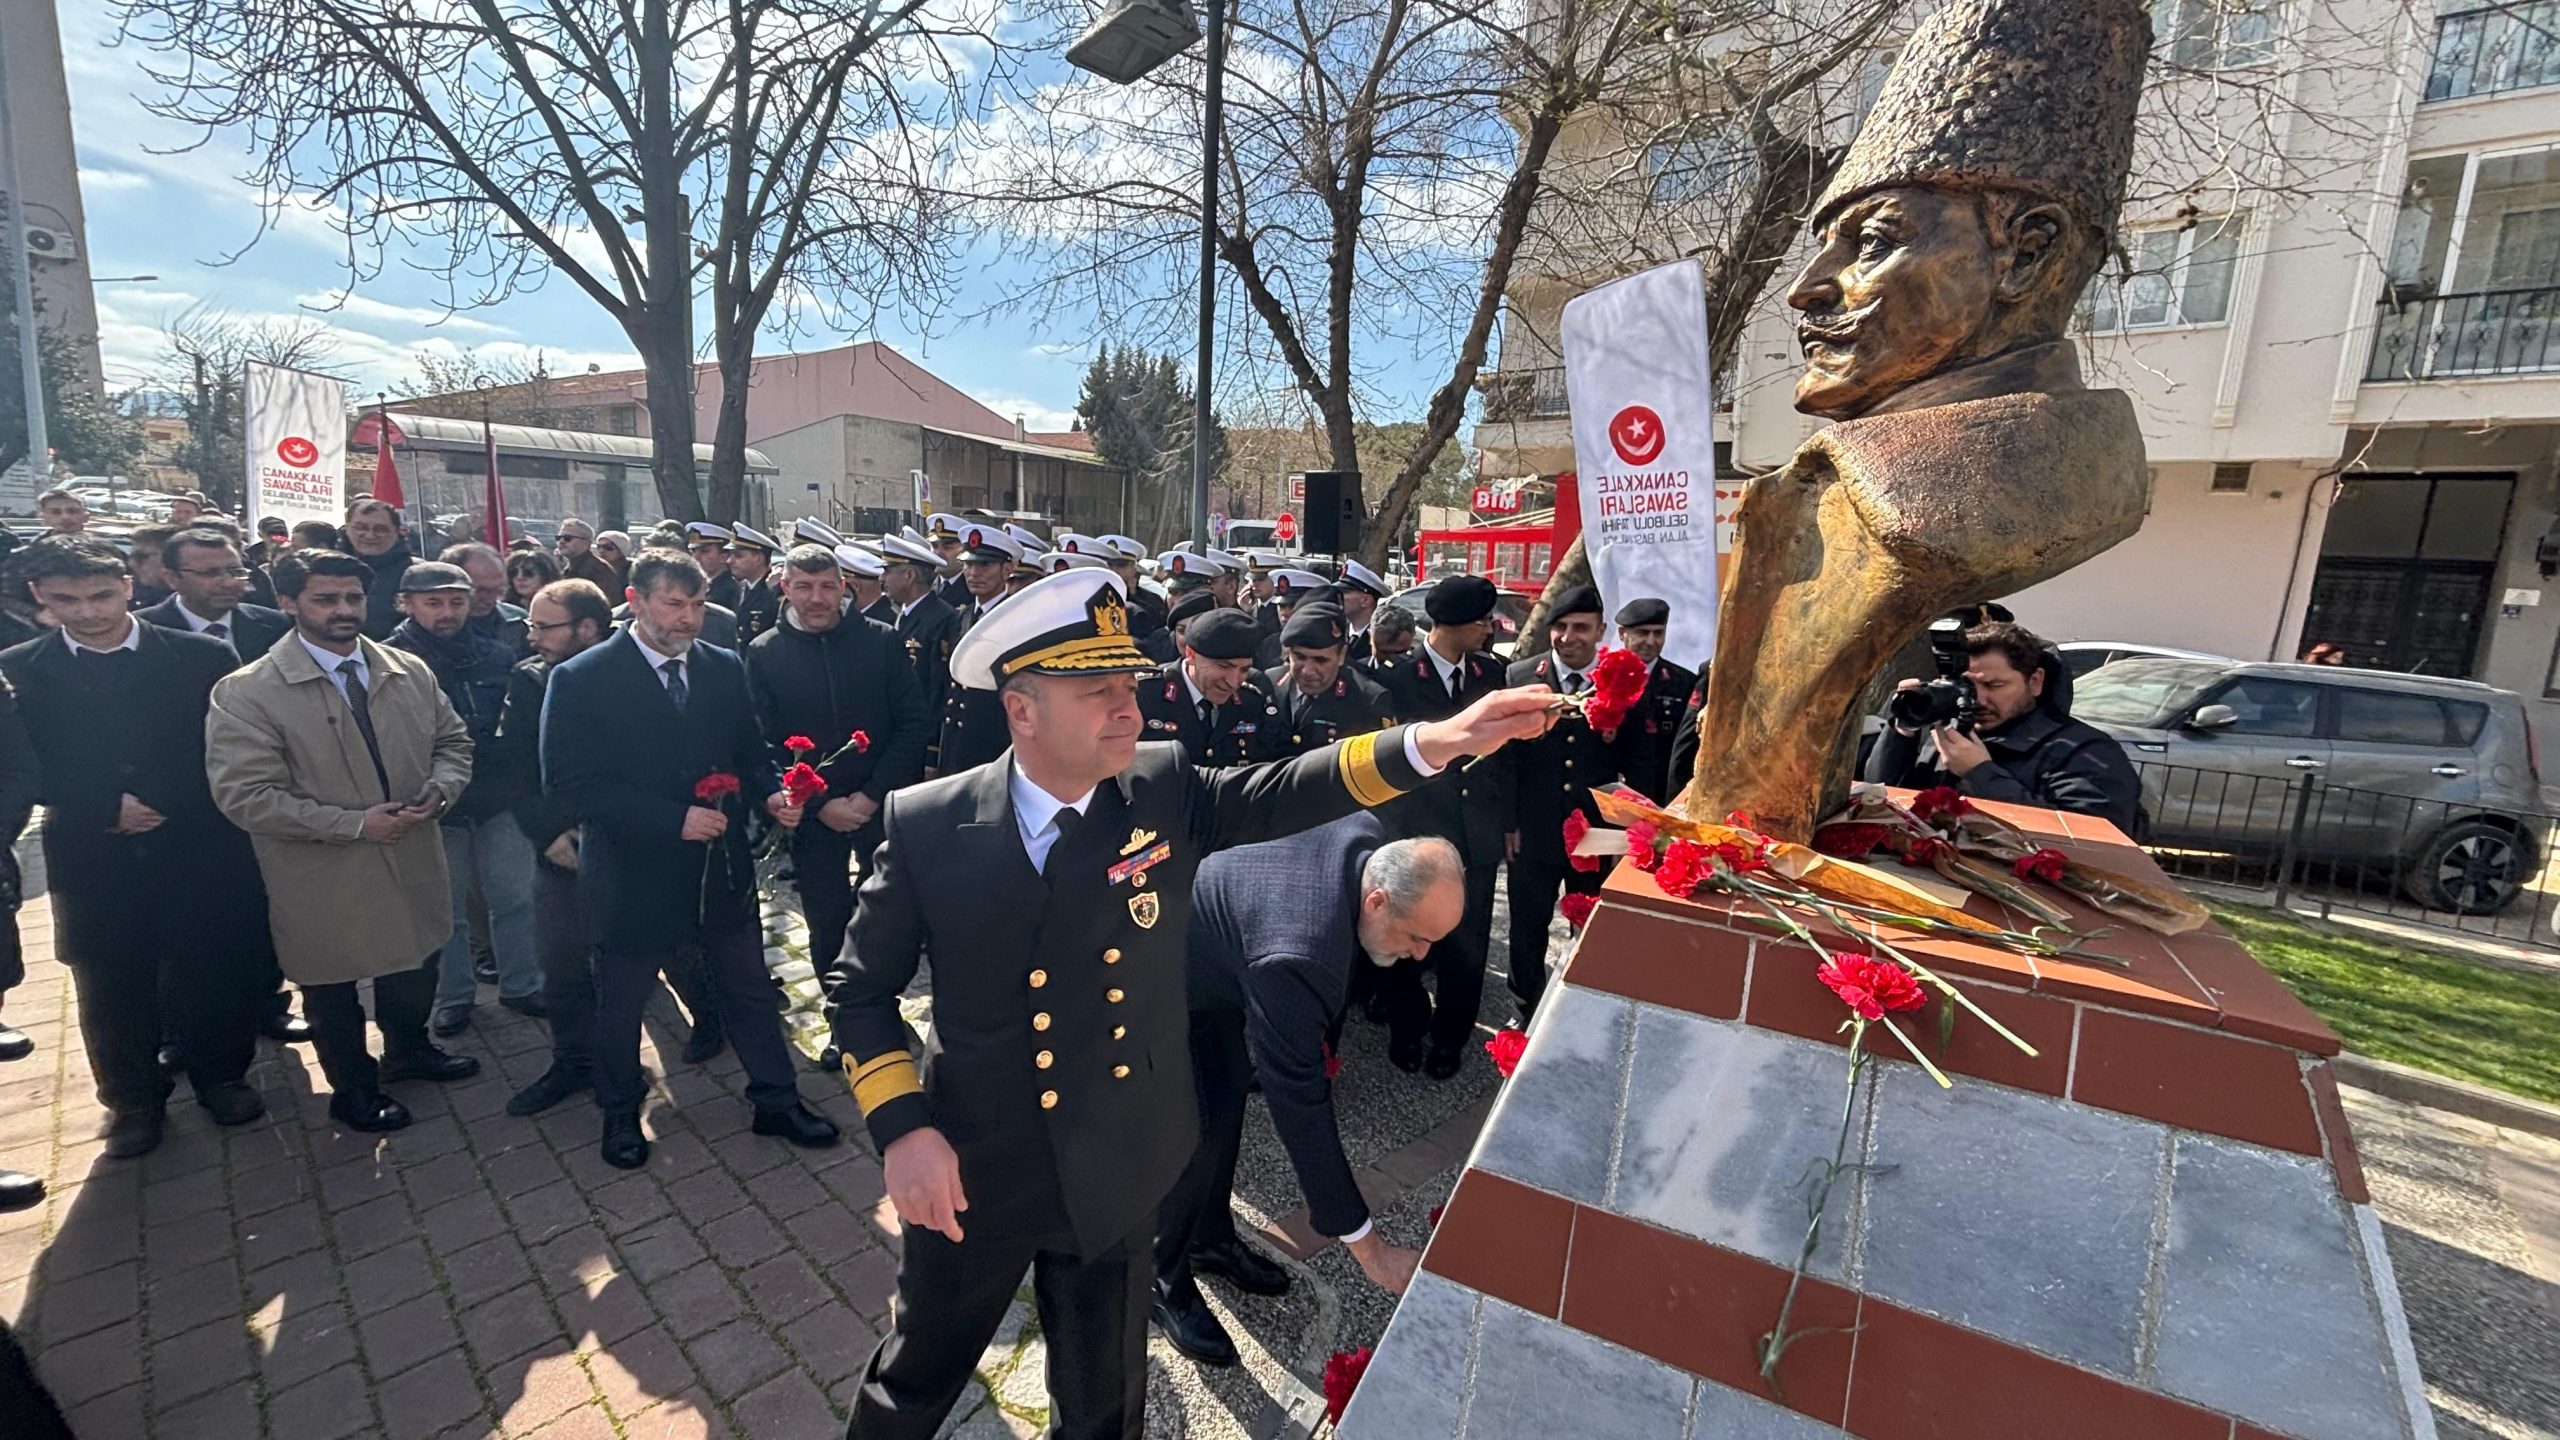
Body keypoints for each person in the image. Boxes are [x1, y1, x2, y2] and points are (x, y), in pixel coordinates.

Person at [827, 567, 1555, 1440]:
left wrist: (1437, 741)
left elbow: (1287, 788)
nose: (1128, 710)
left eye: (1128, 686)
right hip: (975, 1162)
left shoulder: (1161, 787)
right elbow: (860, 993)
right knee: (916, 1382)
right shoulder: (927, 822)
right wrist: (903, 1128)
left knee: (1103, 1403)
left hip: (1120, 1157)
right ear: (1022, 710)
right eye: (1097, 692)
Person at [539, 551, 839, 1169]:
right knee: (621, 1000)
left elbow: (748, 749)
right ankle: (621, 1111)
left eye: (698, 605)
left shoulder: (723, 666)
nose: (689, 619)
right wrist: (670, 818)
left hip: (717, 869)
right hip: (632, 874)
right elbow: (571, 784)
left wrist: (773, 792)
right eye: (675, 604)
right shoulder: (582, 678)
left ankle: (777, 1100)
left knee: (750, 987)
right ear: (636, 599)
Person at [0, 539, 274, 1155]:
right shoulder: (19, 668)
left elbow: (229, 741)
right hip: (93, 851)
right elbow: (21, 763)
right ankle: (133, 1100)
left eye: (101, 595)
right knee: (109, 978)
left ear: (128, 584)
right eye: (66, 599)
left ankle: (222, 1077)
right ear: (40, 598)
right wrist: (104, 806)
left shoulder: (201, 654)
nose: (89, 612)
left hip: (197, 839)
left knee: (213, 963)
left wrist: (169, 800)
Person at [1152, 816, 1449, 1365]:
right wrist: (1372, 1251)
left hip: (1221, 963)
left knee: (1224, 1109)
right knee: (1191, 1129)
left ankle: (1209, 1237)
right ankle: (1160, 1275)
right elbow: (1300, 1108)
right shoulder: (1300, 952)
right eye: (1416, 936)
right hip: (1165, 975)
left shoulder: (1365, 838)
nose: (1423, 954)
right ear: (1378, 901)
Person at [208, 550, 483, 1132]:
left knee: (414, 964)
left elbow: (454, 744)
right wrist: (354, 824)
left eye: (353, 598)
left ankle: (409, 1051)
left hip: (411, 852)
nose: (342, 611)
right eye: (324, 599)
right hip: (321, 870)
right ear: (288, 603)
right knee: (332, 985)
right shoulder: (247, 692)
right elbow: (244, 796)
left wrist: (441, 790)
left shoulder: (407, 670)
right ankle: (353, 1089)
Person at [496, 578, 731, 1115]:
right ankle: (574, 1061)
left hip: (640, 845)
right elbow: (517, 768)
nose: (532, 636)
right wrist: (548, 833)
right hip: (563, 850)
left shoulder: (643, 674)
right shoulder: (531, 679)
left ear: (586, 627)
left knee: (674, 945)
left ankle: (712, 1018)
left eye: (543, 626)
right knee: (563, 960)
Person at [744, 545, 930, 1060]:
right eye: (803, 587)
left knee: (888, 914)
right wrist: (820, 800)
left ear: (844, 586)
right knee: (826, 917)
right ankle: (843, 1015)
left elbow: (912, 723)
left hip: (879, 805)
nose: (817, 598)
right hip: (812, 812)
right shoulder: (764, 651)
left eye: (827, 586)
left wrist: (870, 798)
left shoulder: (883, 642)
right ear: (786, 588)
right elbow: (762, 739)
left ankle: (886, 1008)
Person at [383, 561, 545, 1035]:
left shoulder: (496, 654)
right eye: (433, 603)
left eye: (456, 601)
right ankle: (454, 996)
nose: (447, 612)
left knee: (514, 896)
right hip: (431, 802)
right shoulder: (388, 661)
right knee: (444, 908)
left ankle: (521, 984)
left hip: (497, 796)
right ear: (407, 604)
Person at [1372, 574, 1512, 1076]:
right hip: (1414, 833)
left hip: (1473, 834)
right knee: (1407, 942)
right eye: (1483, 621)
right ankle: (1408, 1030)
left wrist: (1506, 823)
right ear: (1454, 624)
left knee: (1466, 947)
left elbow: (1505, 759)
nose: (1489, 630)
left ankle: (1450, 1039)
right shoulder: (1397, 679)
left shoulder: (1492, 676)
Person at [1863, 619, 2143, 831]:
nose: (1978, 698)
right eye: (1967, 685)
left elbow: (2089, 837)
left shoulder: (2086, 752)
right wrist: (1903, 730)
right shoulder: (1947, 732)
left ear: (2035, 681)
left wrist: (1980, 773)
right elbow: (1881, 797)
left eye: (1994, 685)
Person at [1502, 584, 1619, 1021]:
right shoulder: (1521, 677)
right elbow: (1506, 759)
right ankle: (1524, 1008)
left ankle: (1580, 1009)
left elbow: (1635, 763)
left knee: (1589, 924)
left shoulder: (1618, 682)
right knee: (1527, 926)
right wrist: (1508, 822)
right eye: (1561, 627)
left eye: (1581, 628)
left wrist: (1631, 835)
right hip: (1533, 830)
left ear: (1600, 631)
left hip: (1596, 833)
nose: (1569, 637)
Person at [1135, 608, 1285, 766]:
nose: (1233, 682)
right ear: (1191, 655)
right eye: (1224, 667)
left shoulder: (1251, 702)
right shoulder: (1145, 695)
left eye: (1244, 670)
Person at [935, 523, 1026, 774]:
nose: (974, 572)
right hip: (957, 743)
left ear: (1007, 569)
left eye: (984, 565)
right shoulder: (961, 616)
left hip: (995, 743)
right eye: (968, 564)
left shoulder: (1015, 619)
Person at [137, 526, 290, 661]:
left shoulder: (276, 626)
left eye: (236, 572)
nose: (229, 582)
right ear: (172, 578)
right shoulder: (141, 631)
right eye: (209, 573)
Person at [1263, 602, 1395, 756]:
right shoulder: (1267, 685)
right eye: (1299, 657)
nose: (1307, 671)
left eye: (1320, 660)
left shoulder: (1368, 701)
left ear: (1341, 655)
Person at [1608, 597, 1697, 803]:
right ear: (1622, 634)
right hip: (1612, 794)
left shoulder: (1683, 682)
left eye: (1658, 633)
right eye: (1642, 633)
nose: (1651, 641)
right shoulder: (1604, 677)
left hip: (1662, 796)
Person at [881, 536, 961, 760]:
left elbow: (940, 689)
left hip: (921, 744)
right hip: (900, 739)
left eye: (888, 570)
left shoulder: (942, 618)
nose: (882, 578)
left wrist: (932, 751)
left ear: (909, 575)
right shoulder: (904, 615)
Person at [343, 498, 419, 639]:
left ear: (397, 532)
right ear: (347, 528)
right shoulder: (325, 570)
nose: (370, 535)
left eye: (380, 529)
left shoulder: (418, 574)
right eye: (361, 527)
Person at [442, 541, 529, 656]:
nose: (490, 598)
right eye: (481, 590)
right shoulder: (436, 624)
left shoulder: (518, 622)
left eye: (499, 590)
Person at [724, 524, 783, 643]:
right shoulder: (739, 589)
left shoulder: (773, 591)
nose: (729, 561)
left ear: (758, 558)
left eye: (738, 556)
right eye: (730, 555)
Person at [1335, 560, 1389, 662]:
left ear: (1366, 600)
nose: (1338, 597)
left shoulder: (1380, 639)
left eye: (1344, 592)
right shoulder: (1337, 631)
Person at [555, 518, 617, 592]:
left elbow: (608, 601)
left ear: (586, 543)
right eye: (558, 538)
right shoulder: (566, 568)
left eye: (567, 538)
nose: (561, 541)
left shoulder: (599, 571)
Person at [126, 525, 179, 610]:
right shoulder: (127, 595)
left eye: (141, 556)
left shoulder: (194, 604)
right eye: (132, 556)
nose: (132, 563)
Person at [1360, 602, 1416, 675]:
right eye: (1385, 653)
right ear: (1370, 636)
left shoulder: (1423, 677)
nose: (1392, 659)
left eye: (1401, 653)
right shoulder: (1356, 674)